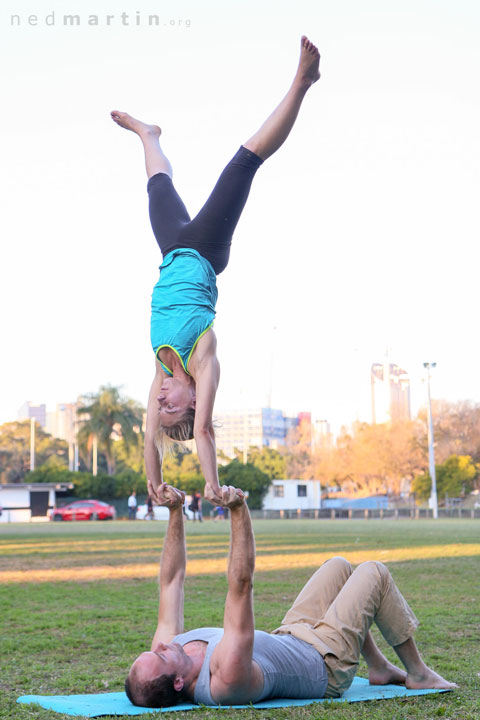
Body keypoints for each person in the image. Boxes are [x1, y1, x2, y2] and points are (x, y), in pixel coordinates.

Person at [111, 37, 321, 506]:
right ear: (189, 401)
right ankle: (303, 84)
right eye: (170, 407)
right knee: (243, 164)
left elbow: (150, 441)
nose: (160, 400)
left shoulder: (161, 369)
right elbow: (202, 430)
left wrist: (155, 483)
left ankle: (150, 136)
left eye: (158, 406)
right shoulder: (202, 361)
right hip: (205, 251)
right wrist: (210, 485)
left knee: (157, 187)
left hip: (172, 251)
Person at [124, 483, 456, 708]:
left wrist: (175, 511)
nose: (163, 645)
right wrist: (239, 510)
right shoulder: (225, 679)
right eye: (163, 656)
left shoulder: (171, 651)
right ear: (179, 683)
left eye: (156, 649)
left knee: (339, 566)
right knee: (374, 573)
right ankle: (418, 673)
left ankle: (379, 667)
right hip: (325, 665)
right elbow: (241, 585)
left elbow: (171, 581)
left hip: (293, 635)